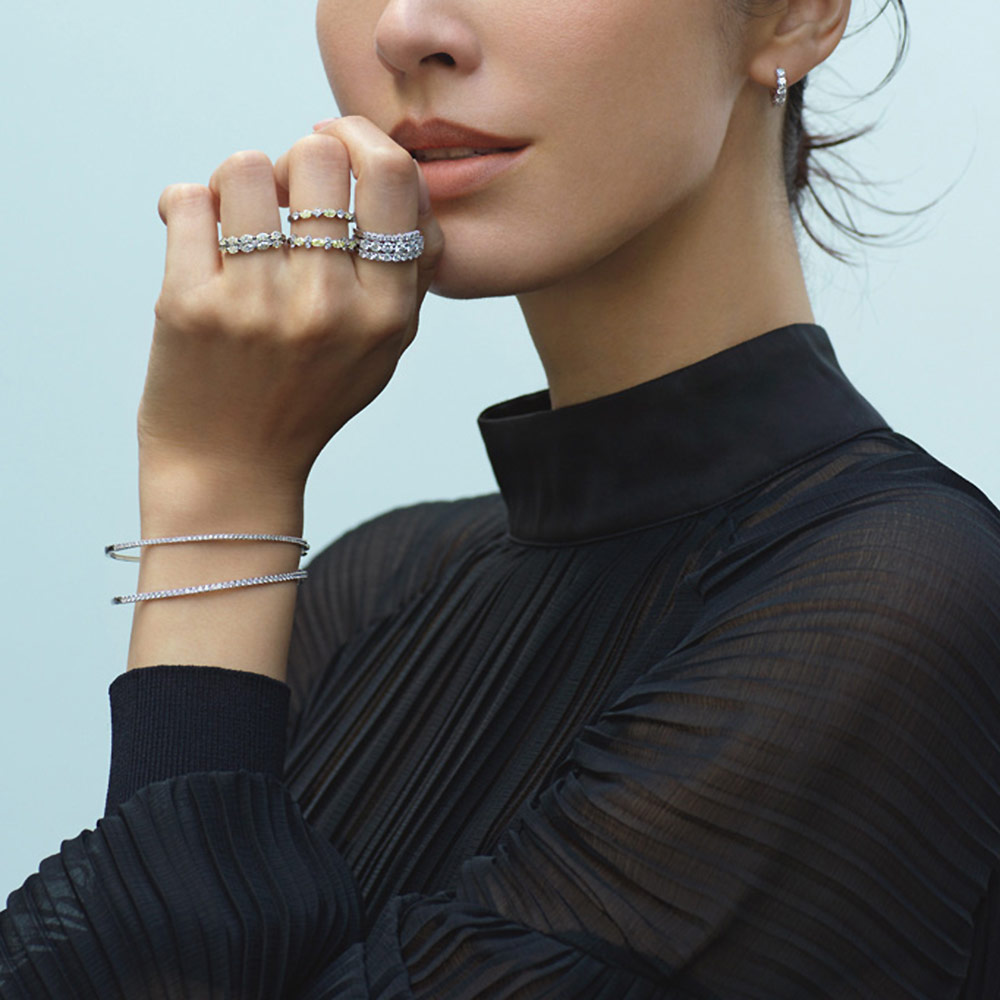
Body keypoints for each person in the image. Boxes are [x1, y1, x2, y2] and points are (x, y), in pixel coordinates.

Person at [2, 0, 998, 995]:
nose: (406, 29)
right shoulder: (371, 589)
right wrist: (217, 489)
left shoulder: (890, 601)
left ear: (795, 16)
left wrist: (222, 494)